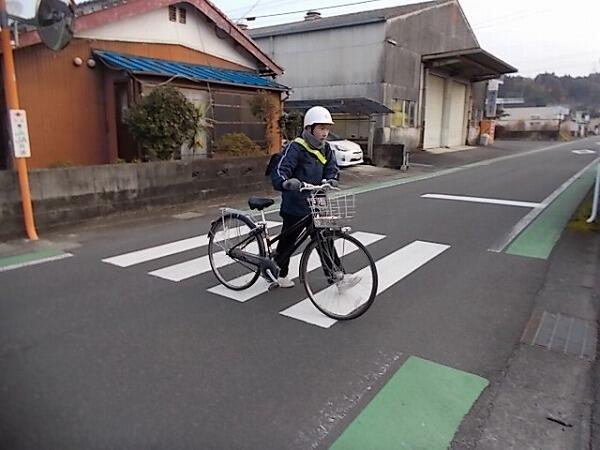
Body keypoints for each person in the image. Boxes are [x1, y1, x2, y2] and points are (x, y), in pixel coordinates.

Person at [271, 106, 340, 288]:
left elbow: (332, 168)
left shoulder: (326, 148)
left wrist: (331, 179)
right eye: (321, 128)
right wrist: (286, 182)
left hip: (318, 201)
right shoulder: (296, 147)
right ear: (309, 128)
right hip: (296, 203)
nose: (325, 133)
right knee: (288, 241)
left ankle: (337, 277)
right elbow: (281, 169)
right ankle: (279, 273)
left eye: (327, 128)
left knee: (325, 239)